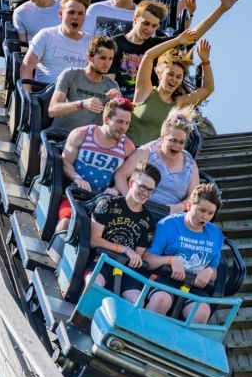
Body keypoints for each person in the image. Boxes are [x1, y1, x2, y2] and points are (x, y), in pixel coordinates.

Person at [110, 0, 240, 99]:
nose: (149, 29)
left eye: (154, 26)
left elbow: (193, 35)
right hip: (120, 106)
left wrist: (222, 8)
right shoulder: (114, 43)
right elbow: (108, 81)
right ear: (135, 19)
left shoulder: (157, 45)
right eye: (146, 24)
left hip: (147, 107)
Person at [143, 183, 225, 324]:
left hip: (194, 284)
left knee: (202, 312)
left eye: (210, 213)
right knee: (161, 300)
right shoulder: (168, 225)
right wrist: (170, 260)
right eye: (201, 210)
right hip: (165, 277)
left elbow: (214, 268)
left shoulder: (216, 235)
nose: (205, 217)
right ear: (189, 206)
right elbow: (147, 260)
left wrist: (209, 273)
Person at [85, 161, 161, 303]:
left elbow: (137, 258)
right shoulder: (108, 204)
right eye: (142, 187)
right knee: (94, 283)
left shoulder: (149, 221)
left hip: (125, 271)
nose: (145, 193)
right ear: (131, 183)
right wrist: (125, 249)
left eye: (150, 190)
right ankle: (82, 319)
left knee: (138, 301)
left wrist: (130, 255)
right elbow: (93, 240)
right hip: (101, 261)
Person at [56, 97, 136, 231]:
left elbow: (130, 176)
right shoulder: (81, 134)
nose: (124, 128)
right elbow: (65, 162)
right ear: (106, 119)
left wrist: (116, 188)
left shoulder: (128, 147)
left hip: (104, 202)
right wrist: (76, 177)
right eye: (119, 122)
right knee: (66, 224)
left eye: (127, 123)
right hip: (76, 195)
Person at [125, 28, 213, 147]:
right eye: (170, 74)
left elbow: (208, 89)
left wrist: (205, 61)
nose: (174, 79)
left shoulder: (178, 103)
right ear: (160, 74)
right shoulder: (145, 91)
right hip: (127, 154)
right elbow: (148, 56)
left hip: (151, 161)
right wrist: (177, 41)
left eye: (178, 77)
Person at [113, 106, 198, 212]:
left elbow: (194, 196)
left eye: (181, 142)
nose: (177, 146)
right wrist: (128, 199)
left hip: (171, 214)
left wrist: (181, 206)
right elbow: (120, 174)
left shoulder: (190, 164)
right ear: (162, 138)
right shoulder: (147, 152)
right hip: (141, 209)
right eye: (173, 140)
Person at [48, 35, 122, 132]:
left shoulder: (112, 86)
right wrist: (82, 104)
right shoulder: (70, 75)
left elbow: (116, 122)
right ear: (90, 57)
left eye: (110, 59)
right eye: (103, 58)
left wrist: (118, 102)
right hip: (58, 136)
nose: (107, 63)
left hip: (89, 142)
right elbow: (52, 110)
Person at [20, 0, 91, 87]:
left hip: (75, 99)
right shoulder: (46, 35)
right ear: (61, 14)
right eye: (71, 12)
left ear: (84, 18)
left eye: (80, 13)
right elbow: (26, 68)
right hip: (45, 94)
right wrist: (28, 97)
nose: (75, 17)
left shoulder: (90, 43)